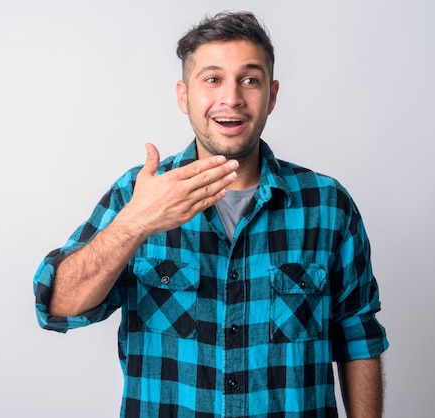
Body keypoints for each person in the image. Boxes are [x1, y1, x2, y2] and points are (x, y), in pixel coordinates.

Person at [33, 11, 388, 417]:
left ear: (271, 95)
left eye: (249, 80)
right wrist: (136, 223)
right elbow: (56, 307)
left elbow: (358, 337)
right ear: (184, 95)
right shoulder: (137, 194)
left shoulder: (328, 205)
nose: (232, 98)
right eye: (213, 79)